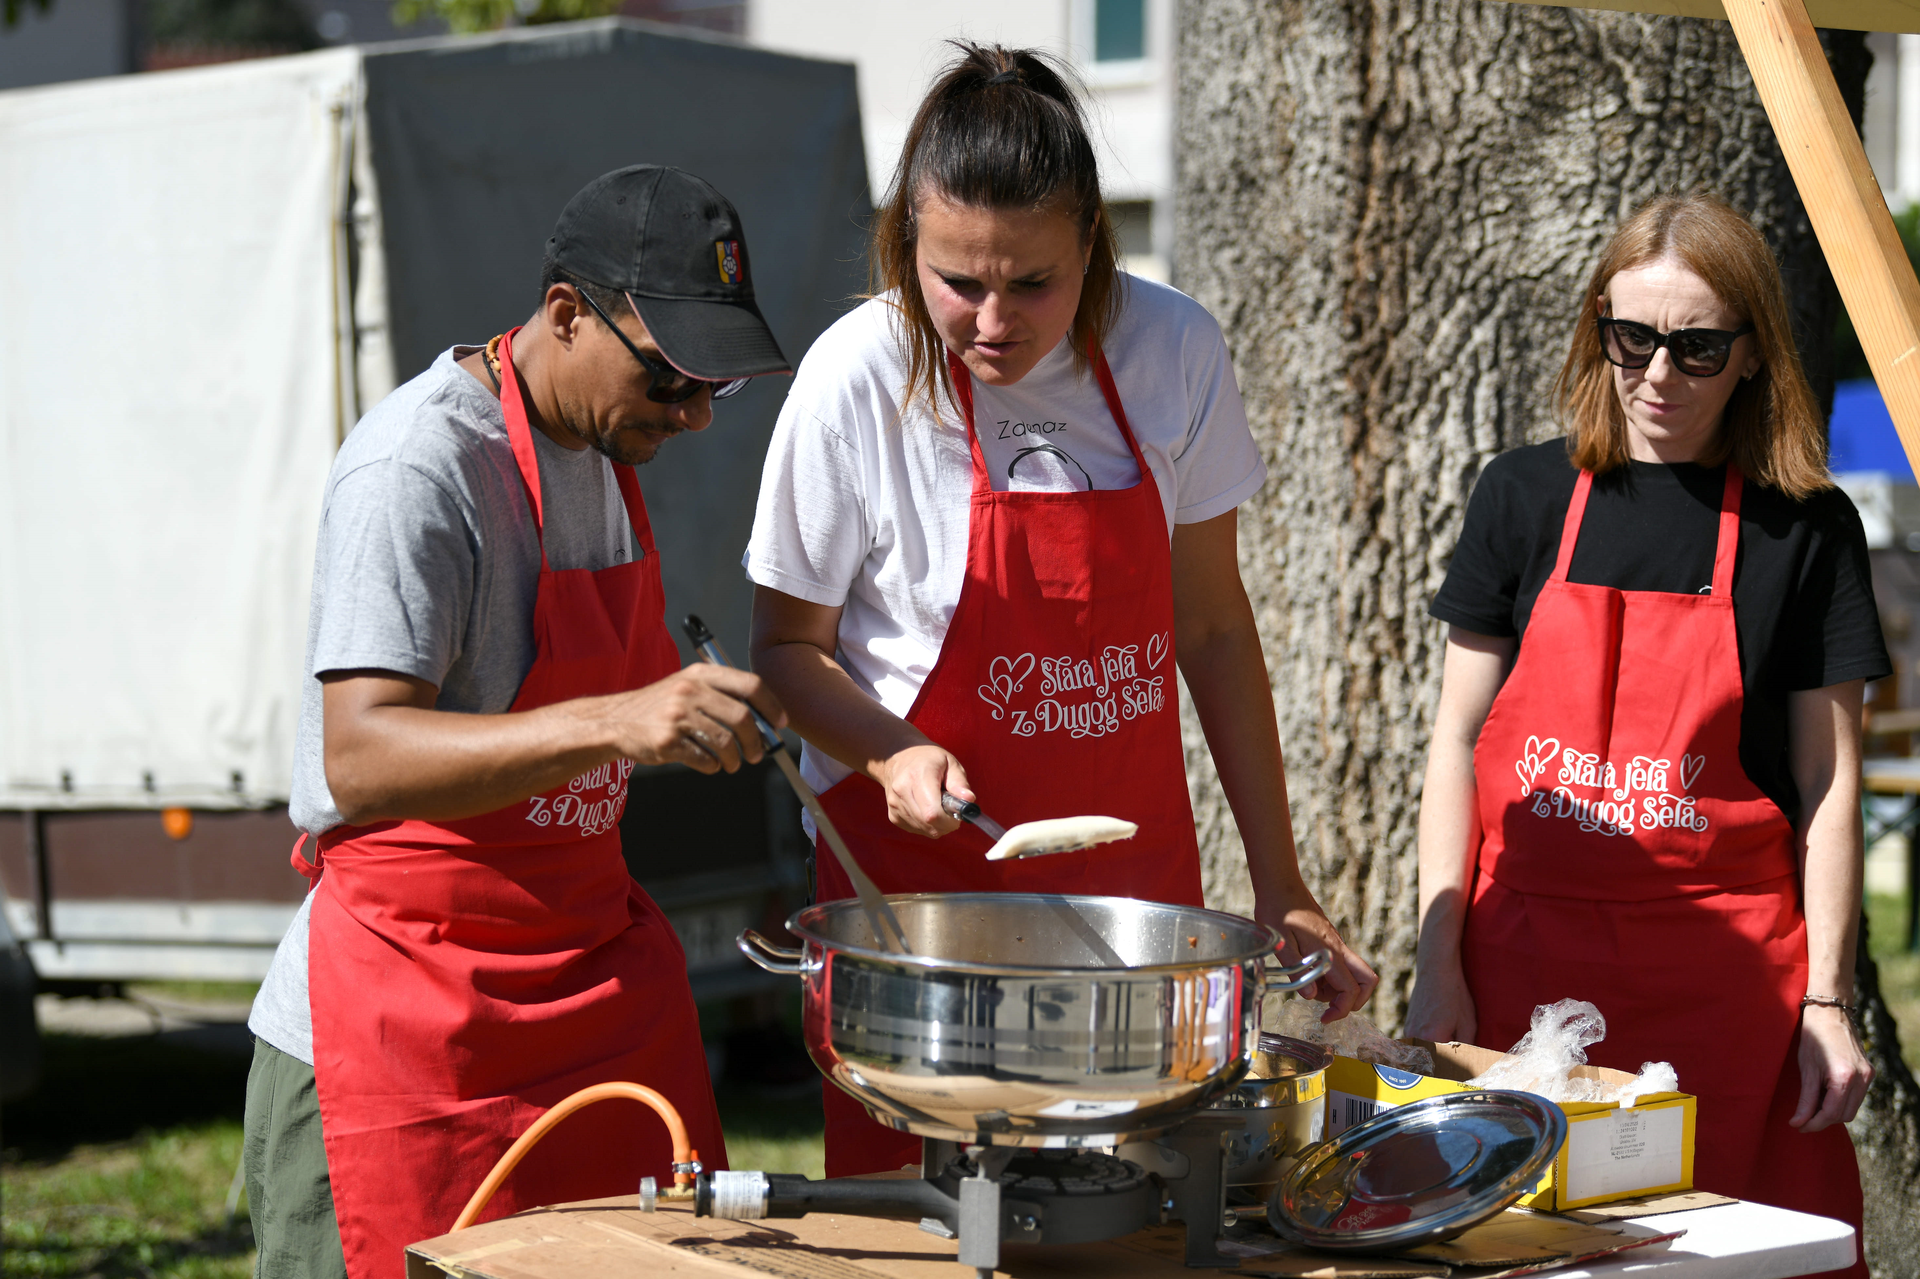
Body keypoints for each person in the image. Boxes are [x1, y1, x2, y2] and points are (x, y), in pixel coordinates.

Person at [743, 43, 1377, 1178]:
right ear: (906, 247)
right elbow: (785, 650)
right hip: (921, 918)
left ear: (1090, 241)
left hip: (1132, 918)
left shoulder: (1172, 348)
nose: (993, 319)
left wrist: (1281, 880)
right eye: (956, 281)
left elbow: (1215, 629)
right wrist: (891, 754)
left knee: (1130, 1217)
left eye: (1032, 282)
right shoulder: (854, 379)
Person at [243, 166, 793, 1279]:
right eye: (671, 375)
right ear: (564, 314)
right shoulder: (418, 470)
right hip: (408, 1025)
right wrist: (617, 720)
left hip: (581, 1004)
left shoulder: (597, 442)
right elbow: (357, 751)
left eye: (715, 389)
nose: (690, 415)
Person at [1407, 191, 1879, 1269]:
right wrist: (1440, 958)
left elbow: (1830, 781)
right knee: (1521, 1248)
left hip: (1733, 989)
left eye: (1698, 348)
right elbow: (1456, 740)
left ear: (1755, 354)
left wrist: (1827, 1000)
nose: (1658, 376)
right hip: (1521, 972)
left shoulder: (1804, 527)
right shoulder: (1521, 494)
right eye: (1632, 340)